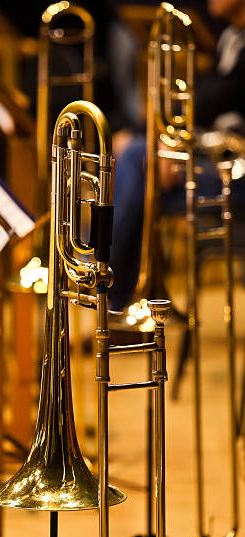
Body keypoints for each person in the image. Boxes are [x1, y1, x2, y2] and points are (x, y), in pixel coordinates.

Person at [108, 0, 245, 310]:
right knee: (141, 165)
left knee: (138, 159)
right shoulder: (229, 36)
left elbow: (211, 101)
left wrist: (164, 142)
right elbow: (206, 104)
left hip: (237, 173)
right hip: (219, 159)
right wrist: (160, 140)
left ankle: (103, 273)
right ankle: (120, 299)